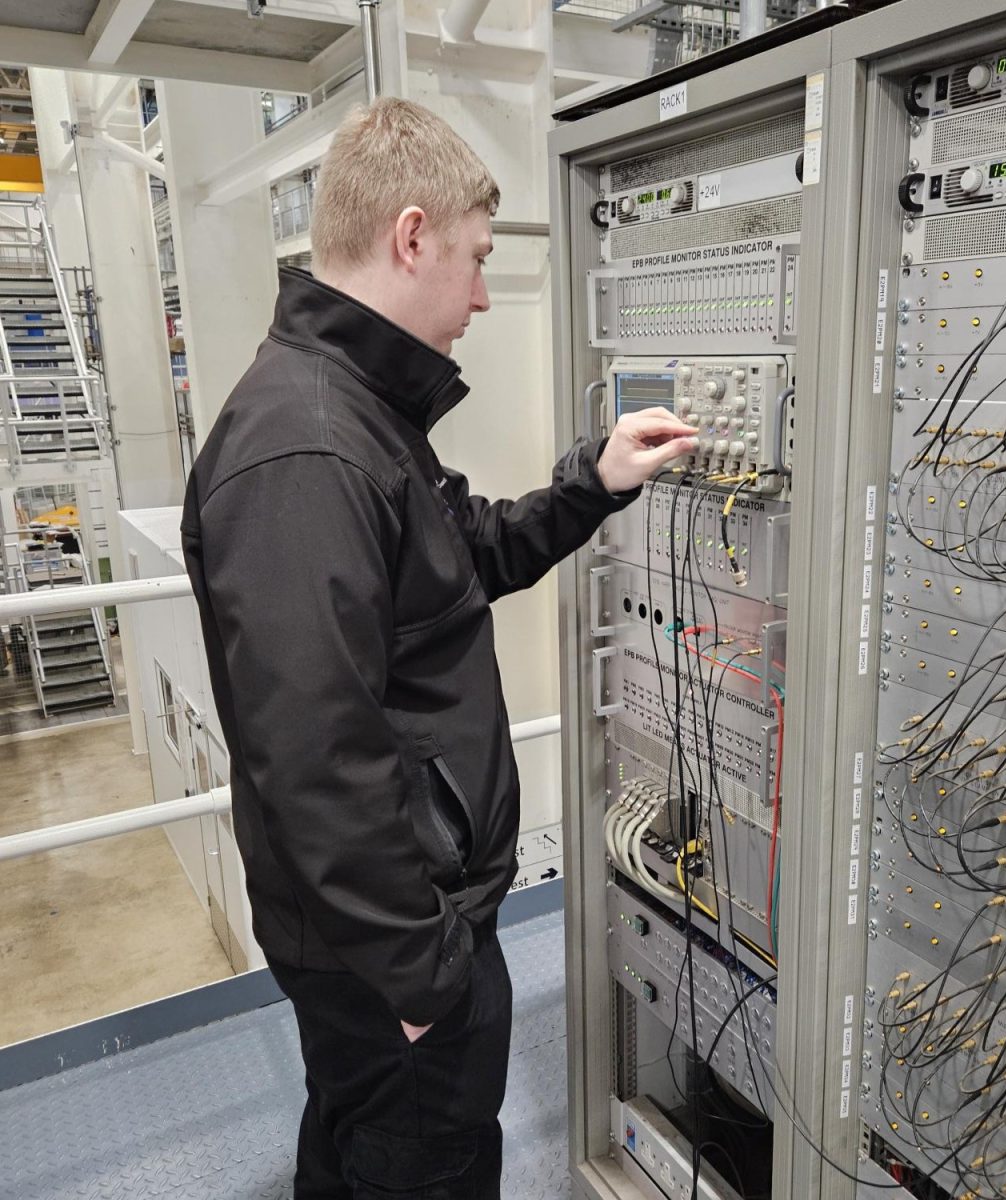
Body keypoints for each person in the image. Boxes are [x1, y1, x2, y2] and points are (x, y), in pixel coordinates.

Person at [180, 97, 696, 1200]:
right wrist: (420, 976)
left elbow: (462, 556)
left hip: (397, 923)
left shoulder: (357, 416)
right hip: (394, 942)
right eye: (471, 259)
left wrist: (588, 482)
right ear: (410, 236)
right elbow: (316, 753)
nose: (478, 294)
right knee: (425, 1162)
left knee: (365, 1143)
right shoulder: (306, 451)